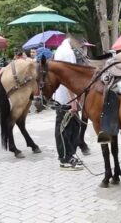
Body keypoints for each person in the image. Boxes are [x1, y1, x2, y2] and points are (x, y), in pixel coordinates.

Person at [53, 37, 83, 171]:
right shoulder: (68, 53)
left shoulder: (60, 50)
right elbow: (69, 79)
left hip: (63, 97)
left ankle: (69, 155)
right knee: (64, 128)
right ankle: (65, 159)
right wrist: (73, 102)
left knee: (72, 127)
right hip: (66, 99)